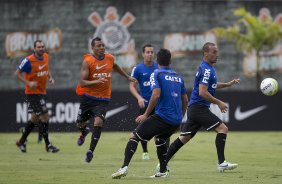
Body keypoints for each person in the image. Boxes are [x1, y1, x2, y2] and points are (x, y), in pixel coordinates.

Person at [112, 48, 188, 179]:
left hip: (163, 117)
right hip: (175, 119)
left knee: (134, 136)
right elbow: (185, 99)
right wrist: (180, 118)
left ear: (157, 60)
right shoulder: (178, 77)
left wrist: (146, 114)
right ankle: (163, 171)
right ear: (170, 61)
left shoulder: (156, 73)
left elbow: (156, 94)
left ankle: (123, 167)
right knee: (160, 139)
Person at [164, 42, 240, 174]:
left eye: (217, 51)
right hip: (199, 108)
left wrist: (228, 84)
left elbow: (213, 85)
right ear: (205, 53)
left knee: (184, 138)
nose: (217, 54)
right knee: (223, 129)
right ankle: (221, 163)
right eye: (214, 52)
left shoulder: (209, 69)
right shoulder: (206, 69)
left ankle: (162, 164)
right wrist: (219, 102)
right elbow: (202, 92)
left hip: (194, 108)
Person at [75, 37, 136, 163]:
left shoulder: (110, 58)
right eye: (99, 46)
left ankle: (91, 151)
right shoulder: (87, 61)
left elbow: (115, 66)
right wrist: (96, 81)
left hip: (103, 98)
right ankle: (84, 131)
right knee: (80, 123)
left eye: (103, 45)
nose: (102, 47)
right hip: (87, 98)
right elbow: (82, 82)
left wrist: (127, 76)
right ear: (93, 48)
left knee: (98, 122)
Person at [15, 40, 59, 153]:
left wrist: (50, 77)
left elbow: (46, 68)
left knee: (34, 119)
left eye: (42, 46)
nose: (41, 48)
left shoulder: (46, 56)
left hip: (42, 92)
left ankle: (21, 141)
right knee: (45, 117)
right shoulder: (28, 61)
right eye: (39, 47)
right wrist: (28, 83)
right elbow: (17, 73)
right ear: (34, 48)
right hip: (32, 94)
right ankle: (48, 145)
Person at [129, 43, 158, 160]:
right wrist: (139, 97)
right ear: (143, 54)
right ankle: (145, 151)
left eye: (152, 52)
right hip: (145, 103)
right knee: (143, 128)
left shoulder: (158, 68)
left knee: (159, 128)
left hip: (158, 103)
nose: (150, 54)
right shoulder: (138, 69)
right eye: (148, 52)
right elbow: (132, 86)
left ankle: (160, 150)